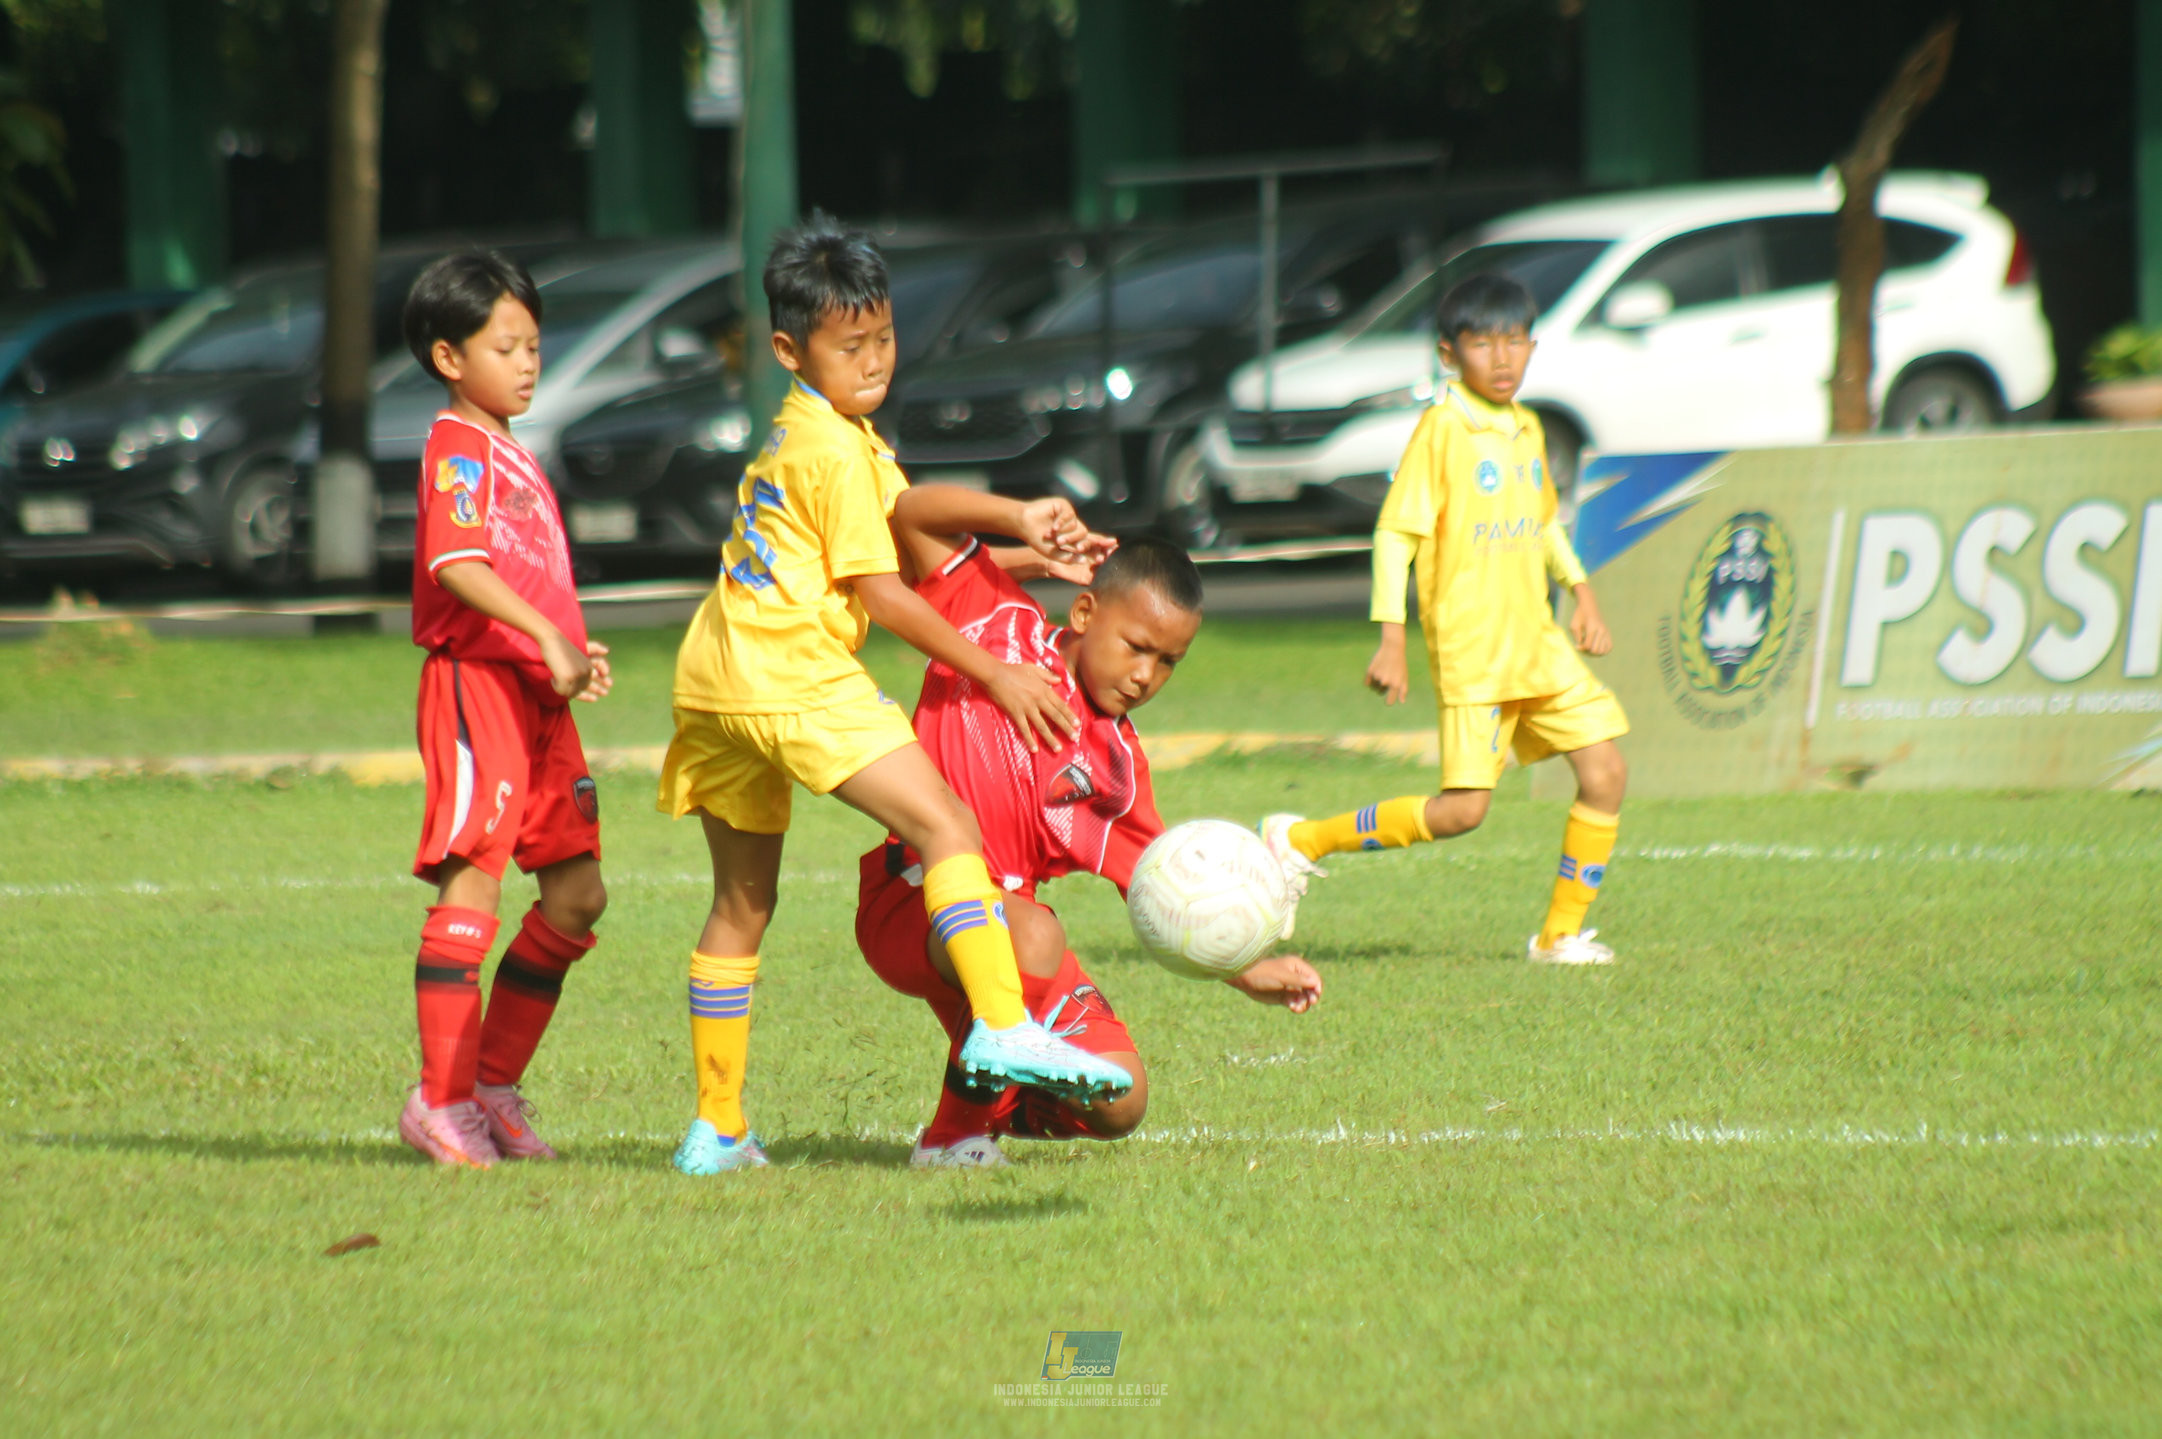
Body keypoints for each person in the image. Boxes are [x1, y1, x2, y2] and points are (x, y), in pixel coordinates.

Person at [659, 215, 1135, 1177]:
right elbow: (881, 593)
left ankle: (717, 1129)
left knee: (742, 905)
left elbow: (895, 556)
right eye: (850, 346)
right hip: (790, 668)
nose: (874, 359)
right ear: (789, 350)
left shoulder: (819, 434)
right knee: (947, 828)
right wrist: (993, 669)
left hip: (714, 676)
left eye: (882, 337)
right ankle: (1002, 1022)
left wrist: (1027, 559)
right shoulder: (837, 451)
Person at [858, 490, 1324, 1168]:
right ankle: (954, 1136)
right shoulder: (996, 620)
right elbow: (911, 513)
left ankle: (1004, 1093)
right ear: (1084, 613)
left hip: (1019, 939)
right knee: (1034, 932)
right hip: (912, 900)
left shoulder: (1117, 772)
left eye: (1168, 661)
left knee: (1121, 1098)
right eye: (1137, 647)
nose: (1145, 676)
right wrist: (1019, 522)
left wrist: (1245, 968)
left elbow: (1164, 886)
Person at [1261, 272, 1630, 965]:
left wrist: (1581, 592)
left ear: (1532, 346)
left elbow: (1544, 524)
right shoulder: (1443, 429)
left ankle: (1560, 937)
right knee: (1462, 812)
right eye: (1483, 343)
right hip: (1474, 654)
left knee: (1606, 771)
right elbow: (1394, 533)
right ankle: (1302, 839)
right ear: (1448, 354)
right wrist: (1390, 637)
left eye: (1515, 341)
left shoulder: (1529, 427)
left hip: (1540, 647)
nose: (1502, 357)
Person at [400, 250, 613, 1168]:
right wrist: (543, 636)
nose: (528, 363)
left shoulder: (509, 449)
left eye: (533, 345)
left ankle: (489, 1084)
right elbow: (456, 565)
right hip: (477, 686)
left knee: (577, 893)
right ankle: (441, 1101)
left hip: (536, 698)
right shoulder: (456, 446)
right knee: (474, 881)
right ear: (449, 358)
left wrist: (566, 651)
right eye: (506, 346)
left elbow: (524, 573)